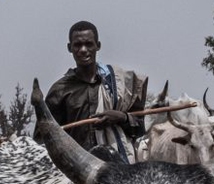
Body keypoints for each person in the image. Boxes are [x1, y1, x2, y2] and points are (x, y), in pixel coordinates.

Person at [45, 21, 145, 162]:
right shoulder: (59, 91)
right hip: (76, 171)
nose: (83, 50)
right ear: (69, 48)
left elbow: (141, 130)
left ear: (98, 46)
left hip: (118, 169)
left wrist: (122, 117)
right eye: (78, 45)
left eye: (89, 44)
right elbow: (44, 141)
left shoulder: (119, 84)